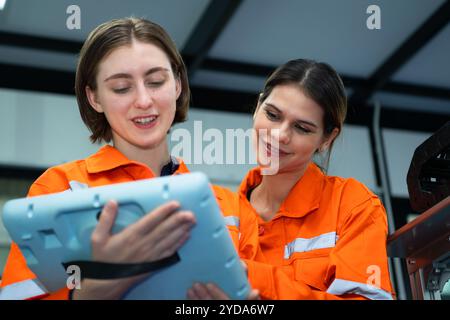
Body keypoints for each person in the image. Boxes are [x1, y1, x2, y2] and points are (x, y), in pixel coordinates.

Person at [0, 17, 256, 300]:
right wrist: (98, 289)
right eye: (122, 87)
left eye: (156, 81)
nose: (144, 100)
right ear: (94, 98)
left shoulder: (231, 208)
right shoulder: (59, 189)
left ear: (178, 84)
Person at [188, 59, 395, 300]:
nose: (280, 135)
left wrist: (254, 279)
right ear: (257, 107)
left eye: (302, 128)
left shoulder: (353, 206)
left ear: (327, 139)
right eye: (273, 115)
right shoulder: (214, 208)